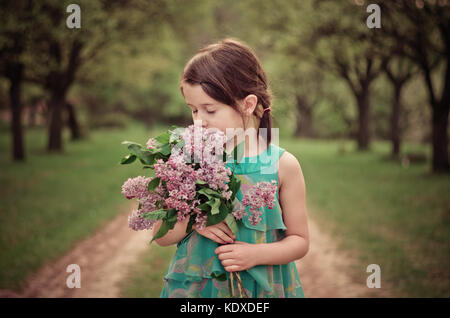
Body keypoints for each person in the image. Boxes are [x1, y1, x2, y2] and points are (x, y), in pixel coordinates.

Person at [153, 38, 309, 298]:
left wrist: (255, 254)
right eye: (193, 111)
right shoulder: (186, 160)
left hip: (261, 290)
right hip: (197, 289)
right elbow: (160, 235)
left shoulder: (283, 166)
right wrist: (195, 221)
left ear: (247, 104)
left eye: (209, 110)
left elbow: (300, 241)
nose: (199, 121)